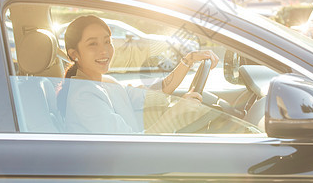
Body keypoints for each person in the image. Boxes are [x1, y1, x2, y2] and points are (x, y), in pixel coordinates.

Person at [57, 15, 220, 134]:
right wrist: (176, 113)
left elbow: (159, 91)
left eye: (107, 41)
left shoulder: (108, 82)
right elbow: (130, 146)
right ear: (74, 54)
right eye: (92, 44)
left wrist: (188, 59)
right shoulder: (83, 98)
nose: (104, 50)